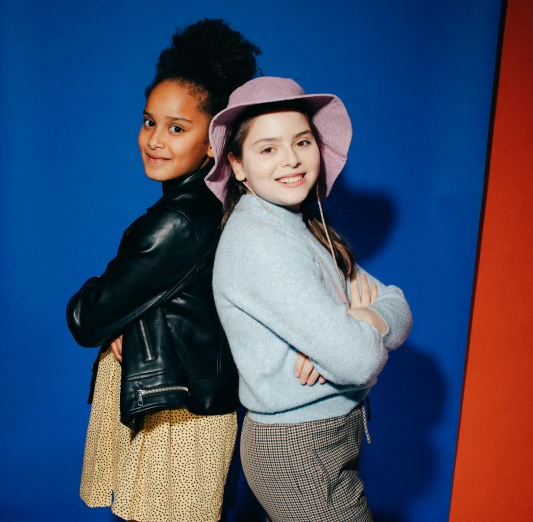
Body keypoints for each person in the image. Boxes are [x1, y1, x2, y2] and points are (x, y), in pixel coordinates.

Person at [65, 19, 261, 522]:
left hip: (177, 417)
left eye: (177, 128)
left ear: (214, 141)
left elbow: (86, 318)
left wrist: (112, 311)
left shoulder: (175, 221)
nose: (155, 139)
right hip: (184, 402)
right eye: (149, 121)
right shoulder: (212, 205)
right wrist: (129, 317)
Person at [208, 76, 413, 521]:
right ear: (238, 166)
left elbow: (398, 304)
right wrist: (362, 328)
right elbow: (357, 360)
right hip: (301, 448)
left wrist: (364, 317)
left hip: (324, 436)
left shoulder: (304, 226)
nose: (291, 159)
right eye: (267, 148)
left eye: (302, 141)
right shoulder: (260, 241)